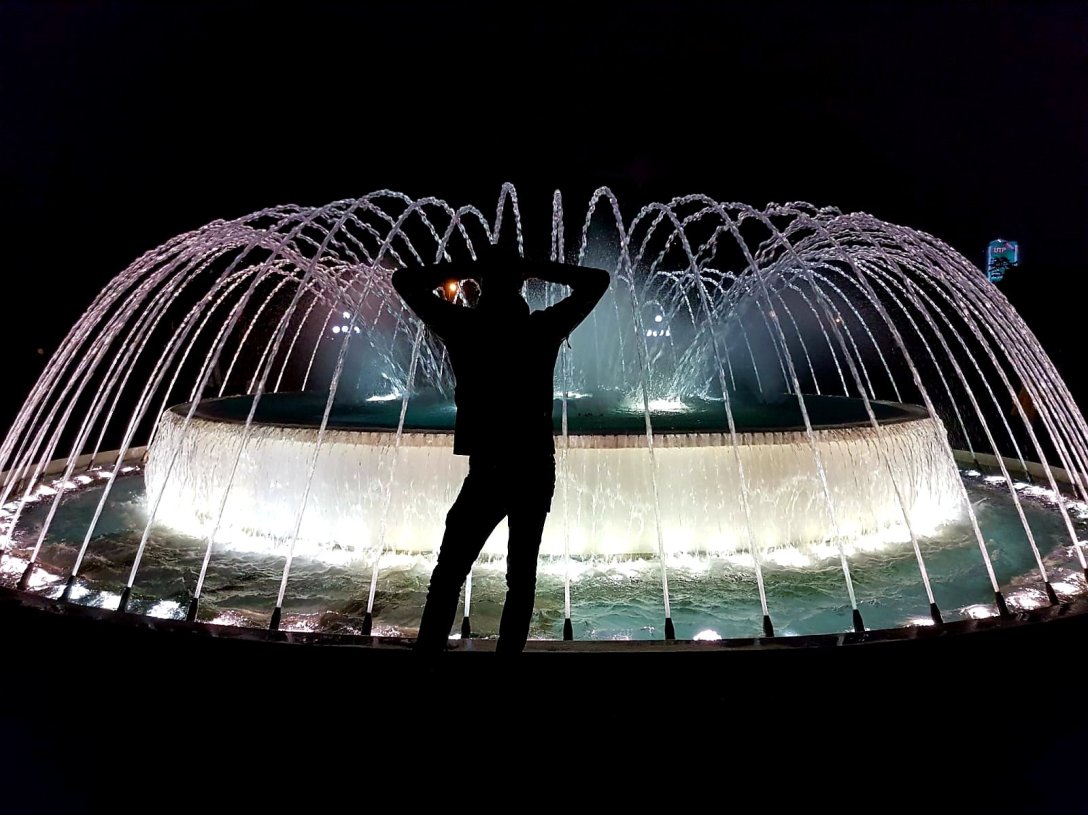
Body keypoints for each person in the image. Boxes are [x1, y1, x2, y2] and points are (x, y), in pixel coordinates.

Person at [391, 242, 609, 654]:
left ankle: (428, 659)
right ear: (521, 289)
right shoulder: (540, 330)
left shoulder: (464, 329)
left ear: (483, 288)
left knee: (450, 572)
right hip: (534, 469)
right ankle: (505, 670)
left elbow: (404, 281)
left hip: (488, 469)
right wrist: (533, 266)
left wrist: (470, 266)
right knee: (520, 578)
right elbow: (597, 281)